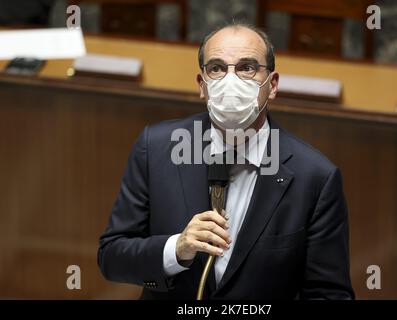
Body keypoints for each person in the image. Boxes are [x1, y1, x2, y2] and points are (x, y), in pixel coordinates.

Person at [98, 22, 354, 300]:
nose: (231, 82)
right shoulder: (157, 148)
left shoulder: (315, 177)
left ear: (273, 85)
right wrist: (176, 249)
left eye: (247, 67)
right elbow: (112, 257)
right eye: (217, 68)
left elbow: (329, 294)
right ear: (202, 85)